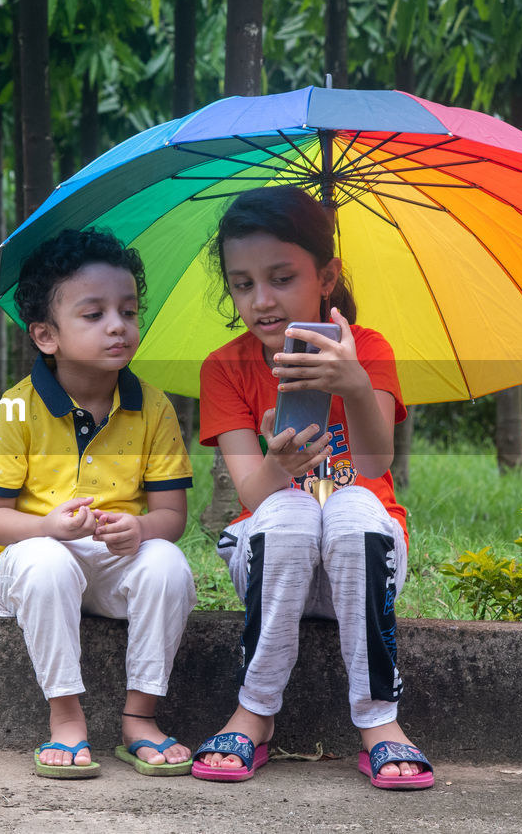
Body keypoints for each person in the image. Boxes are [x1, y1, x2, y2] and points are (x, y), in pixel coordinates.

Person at [190, 186, 433, 790]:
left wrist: (353, 384)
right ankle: (254, 713)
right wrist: (280, 465)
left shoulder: (368, 350)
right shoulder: (225, 368)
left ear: (327, 276)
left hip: (363, 561)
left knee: (352, 504)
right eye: (242, 284)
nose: (261, 301)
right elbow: (252, 492)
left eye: (281, 278)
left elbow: (377, 460)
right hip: (277, 566)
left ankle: (379, 722)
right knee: (291, 510)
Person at [0, 228, 196, 779]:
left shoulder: (155, 407)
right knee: (47, 562)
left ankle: (139, 718)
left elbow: (173, 518)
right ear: (46, 335)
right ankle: (67, 719)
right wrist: (46, 525)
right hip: (40, 565)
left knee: (169, 564)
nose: (118, 326)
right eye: (93, 315)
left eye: (128, 311)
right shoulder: (18, 408)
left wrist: (140, 529)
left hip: (117, 567)